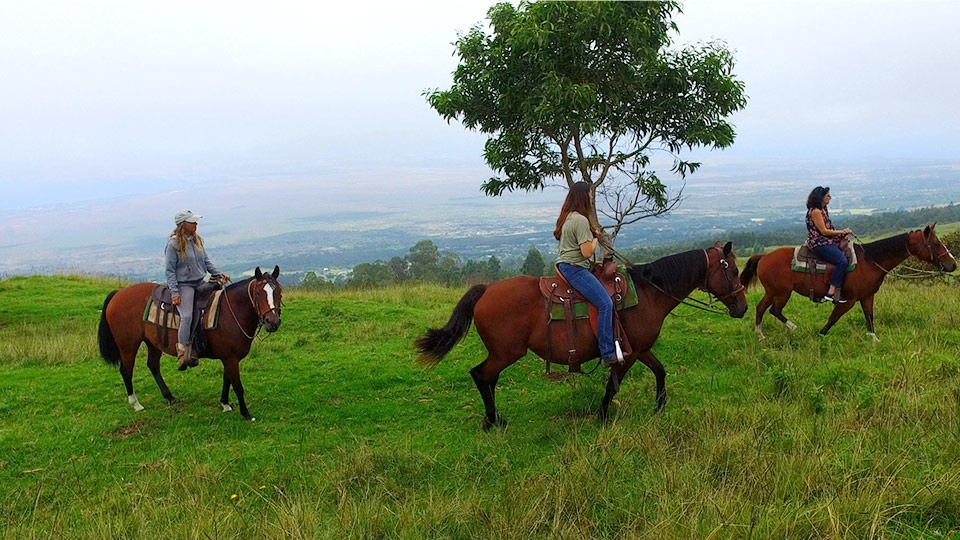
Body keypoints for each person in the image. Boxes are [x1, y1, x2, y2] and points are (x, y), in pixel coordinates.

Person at [554, 182, 620, 367]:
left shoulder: (569, 217)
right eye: (590, 195)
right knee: (605, 303)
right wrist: (596, 238)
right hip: (574, 268)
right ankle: (607, 353)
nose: (592, 198)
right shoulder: (581, 221)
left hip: (568, 265)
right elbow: (587, 252)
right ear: (584, 197)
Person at [165, 210, 230, 370]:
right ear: (183, 224)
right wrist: (175, 293)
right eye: (192, 222)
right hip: (185, 285)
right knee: (186, 316)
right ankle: (182, 351)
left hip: (201, 282)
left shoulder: (196, 240)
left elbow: (206, 261)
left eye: (195, 221)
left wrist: (218, 274)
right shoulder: (173, 245)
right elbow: (170, 271)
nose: (196, 224)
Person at [805, 186, 852, 303]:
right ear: (821, 198)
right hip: (820, 242)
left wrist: (839, 235)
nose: (830, 197)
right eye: (827, 195)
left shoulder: (823, 209)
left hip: (827, 240)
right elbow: (824, 231)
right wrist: (842, 231)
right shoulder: (815, 212)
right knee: (842, 261)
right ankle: (831, 291)